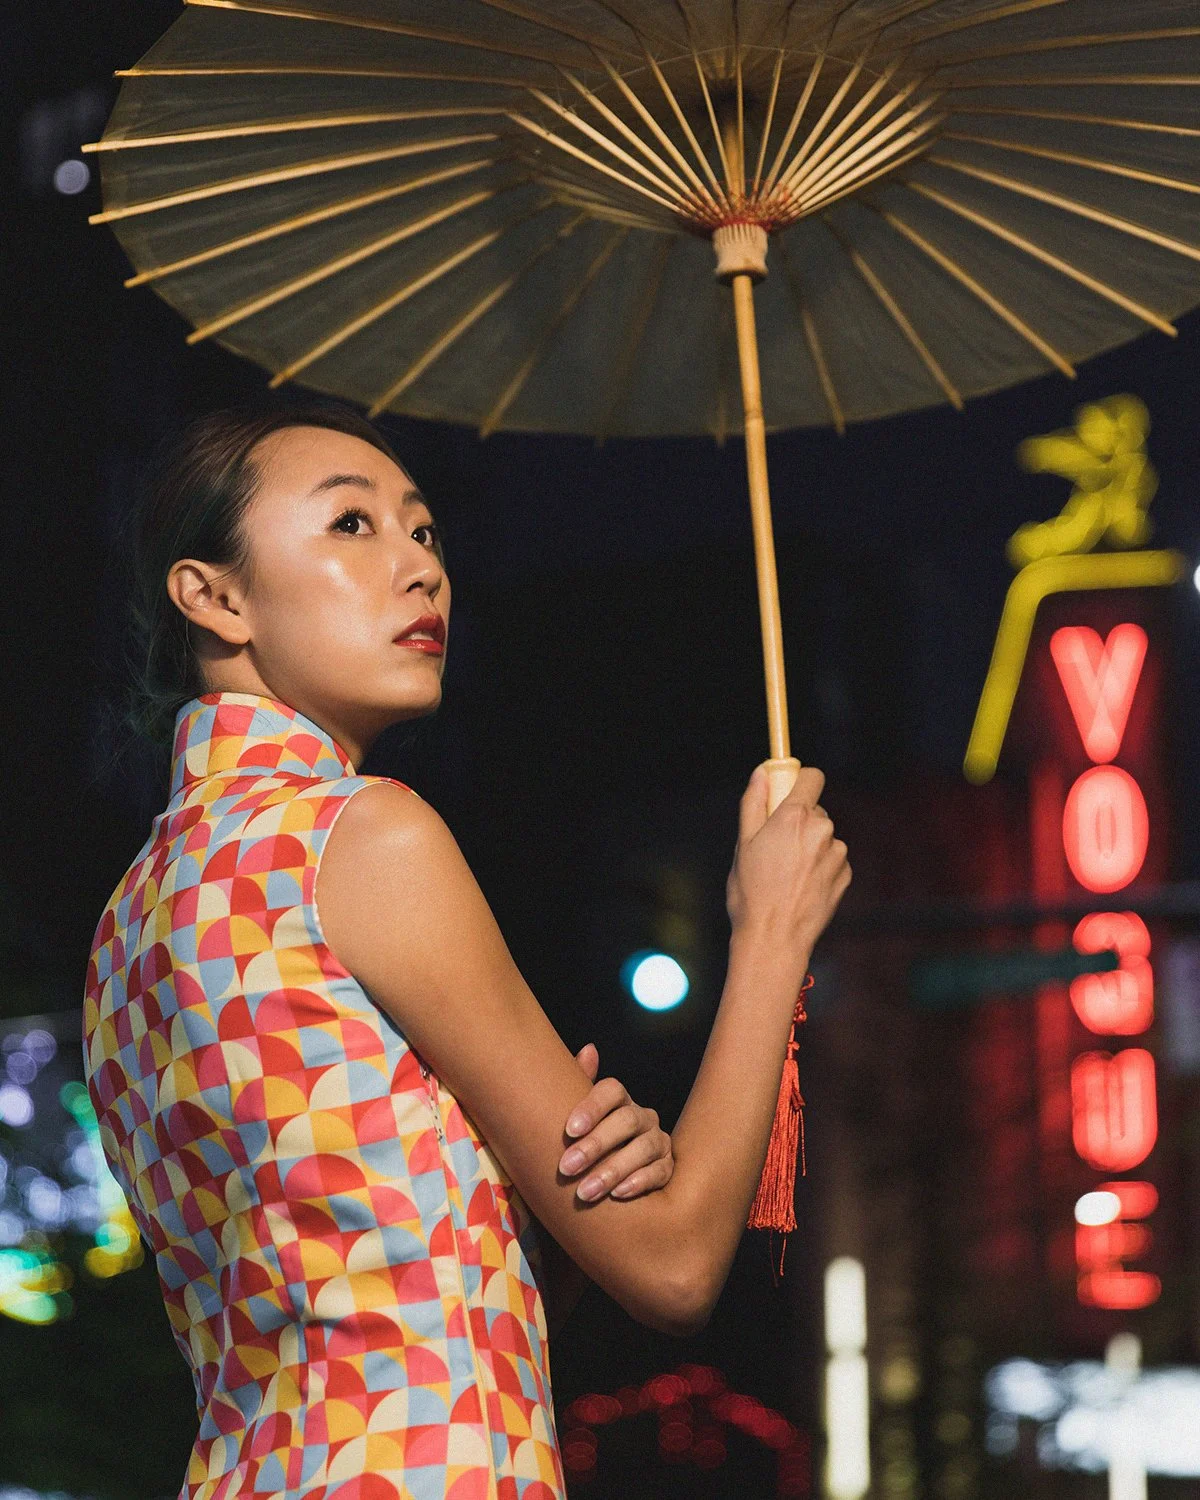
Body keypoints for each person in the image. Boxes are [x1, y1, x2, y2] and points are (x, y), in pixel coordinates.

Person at [83, 400, 850, 1500]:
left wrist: (529, 1213)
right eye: (353, 526)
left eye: (425, 531)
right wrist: (771, 933)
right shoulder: (362, 834)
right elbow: (675, 1266)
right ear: (213, 594)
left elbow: (343, 1268)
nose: (419, 569)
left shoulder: (127, 923)